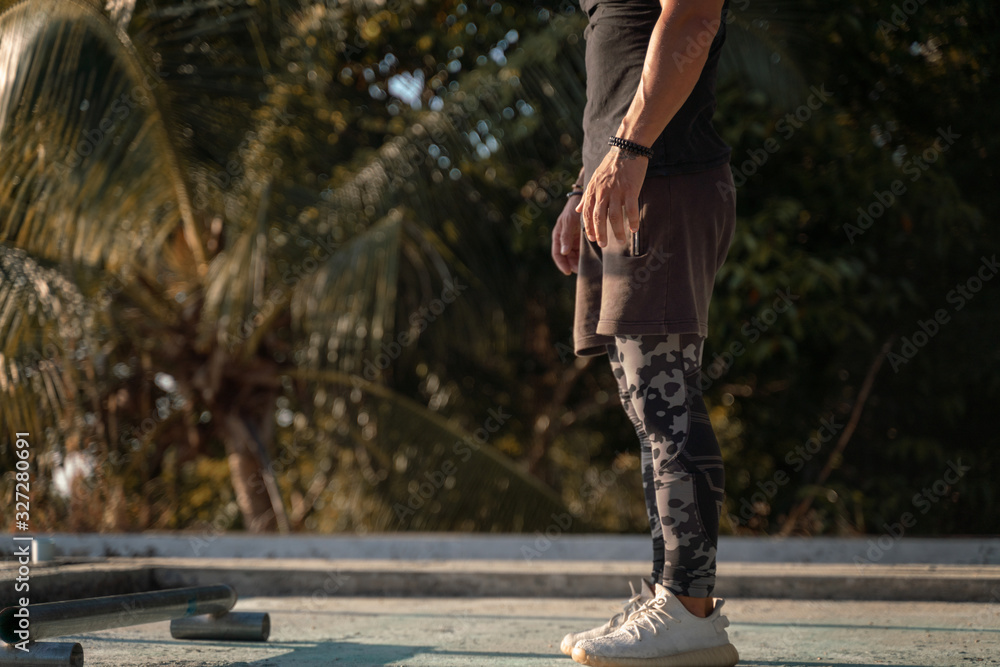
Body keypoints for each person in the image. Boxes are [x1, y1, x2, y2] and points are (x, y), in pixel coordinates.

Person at [550, 0, 739, 664]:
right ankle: (676, 597)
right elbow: (623, 54)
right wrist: (588, 183)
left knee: (665, 395)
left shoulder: (646, 156)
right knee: (646, 397)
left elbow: (692, 17)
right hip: (627, 179)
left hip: (664, 176)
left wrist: (628, 151)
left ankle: (689, 606)